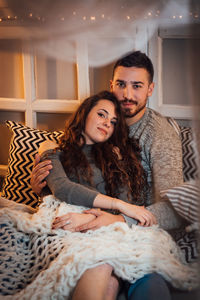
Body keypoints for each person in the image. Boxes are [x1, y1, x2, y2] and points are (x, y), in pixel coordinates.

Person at [31, 51, 185, 300]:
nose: (127, 94)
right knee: (105, 276)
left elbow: (174, 209)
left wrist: (117, 220)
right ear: (110, 85)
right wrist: (43, 187)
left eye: (137, 86)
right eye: (121, 84)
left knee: (147, 284)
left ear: (150, 89)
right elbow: (71, 154)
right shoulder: (99, 127)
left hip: (134, 228)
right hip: (85, 221)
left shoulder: (160, 134)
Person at [38, 90, 157, 300]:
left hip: (104, 230)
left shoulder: (113, 160)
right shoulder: (55, 153)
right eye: (101, 114)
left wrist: (91, 217)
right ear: (85, 114)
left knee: (109, 277)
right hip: (65, 228)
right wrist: (119, 205)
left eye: (113, 121)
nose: (107, 123)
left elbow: (124, 203)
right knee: (102, 266)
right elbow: (63, 189)